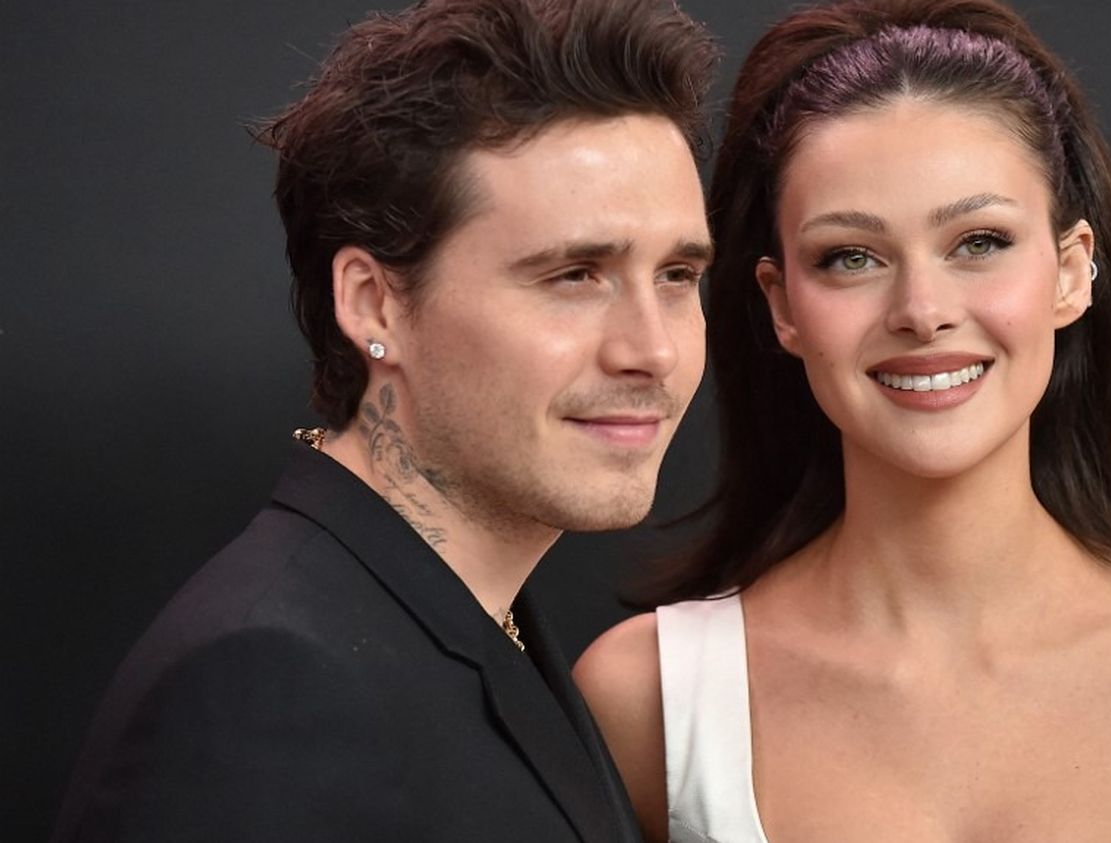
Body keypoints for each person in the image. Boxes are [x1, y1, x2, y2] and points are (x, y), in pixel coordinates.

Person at [574, 1, 1111, 841]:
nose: (922, 309)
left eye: (979, 242)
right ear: (782, 305)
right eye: (852, 257)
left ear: (1071, 271)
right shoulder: (645, 700)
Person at [51, 1, 716, 840]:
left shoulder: (474, 617)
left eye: (678, 275)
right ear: (373, 304)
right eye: (575, 275)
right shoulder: (266, 684)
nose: (653, 350)